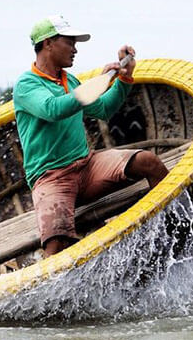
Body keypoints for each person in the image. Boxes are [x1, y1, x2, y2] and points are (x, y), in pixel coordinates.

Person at [13, 15, 168, 257]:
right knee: (56, 248)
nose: (75, 49)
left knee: (150, 163)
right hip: (51, 179)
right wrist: (98, 82)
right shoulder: (26, 85)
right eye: (70, 42)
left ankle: (169, 235)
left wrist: (124, 78)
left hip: (87, 166)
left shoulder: (70, 81)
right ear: (48, 44)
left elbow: (104, 109)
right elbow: (53, 109)